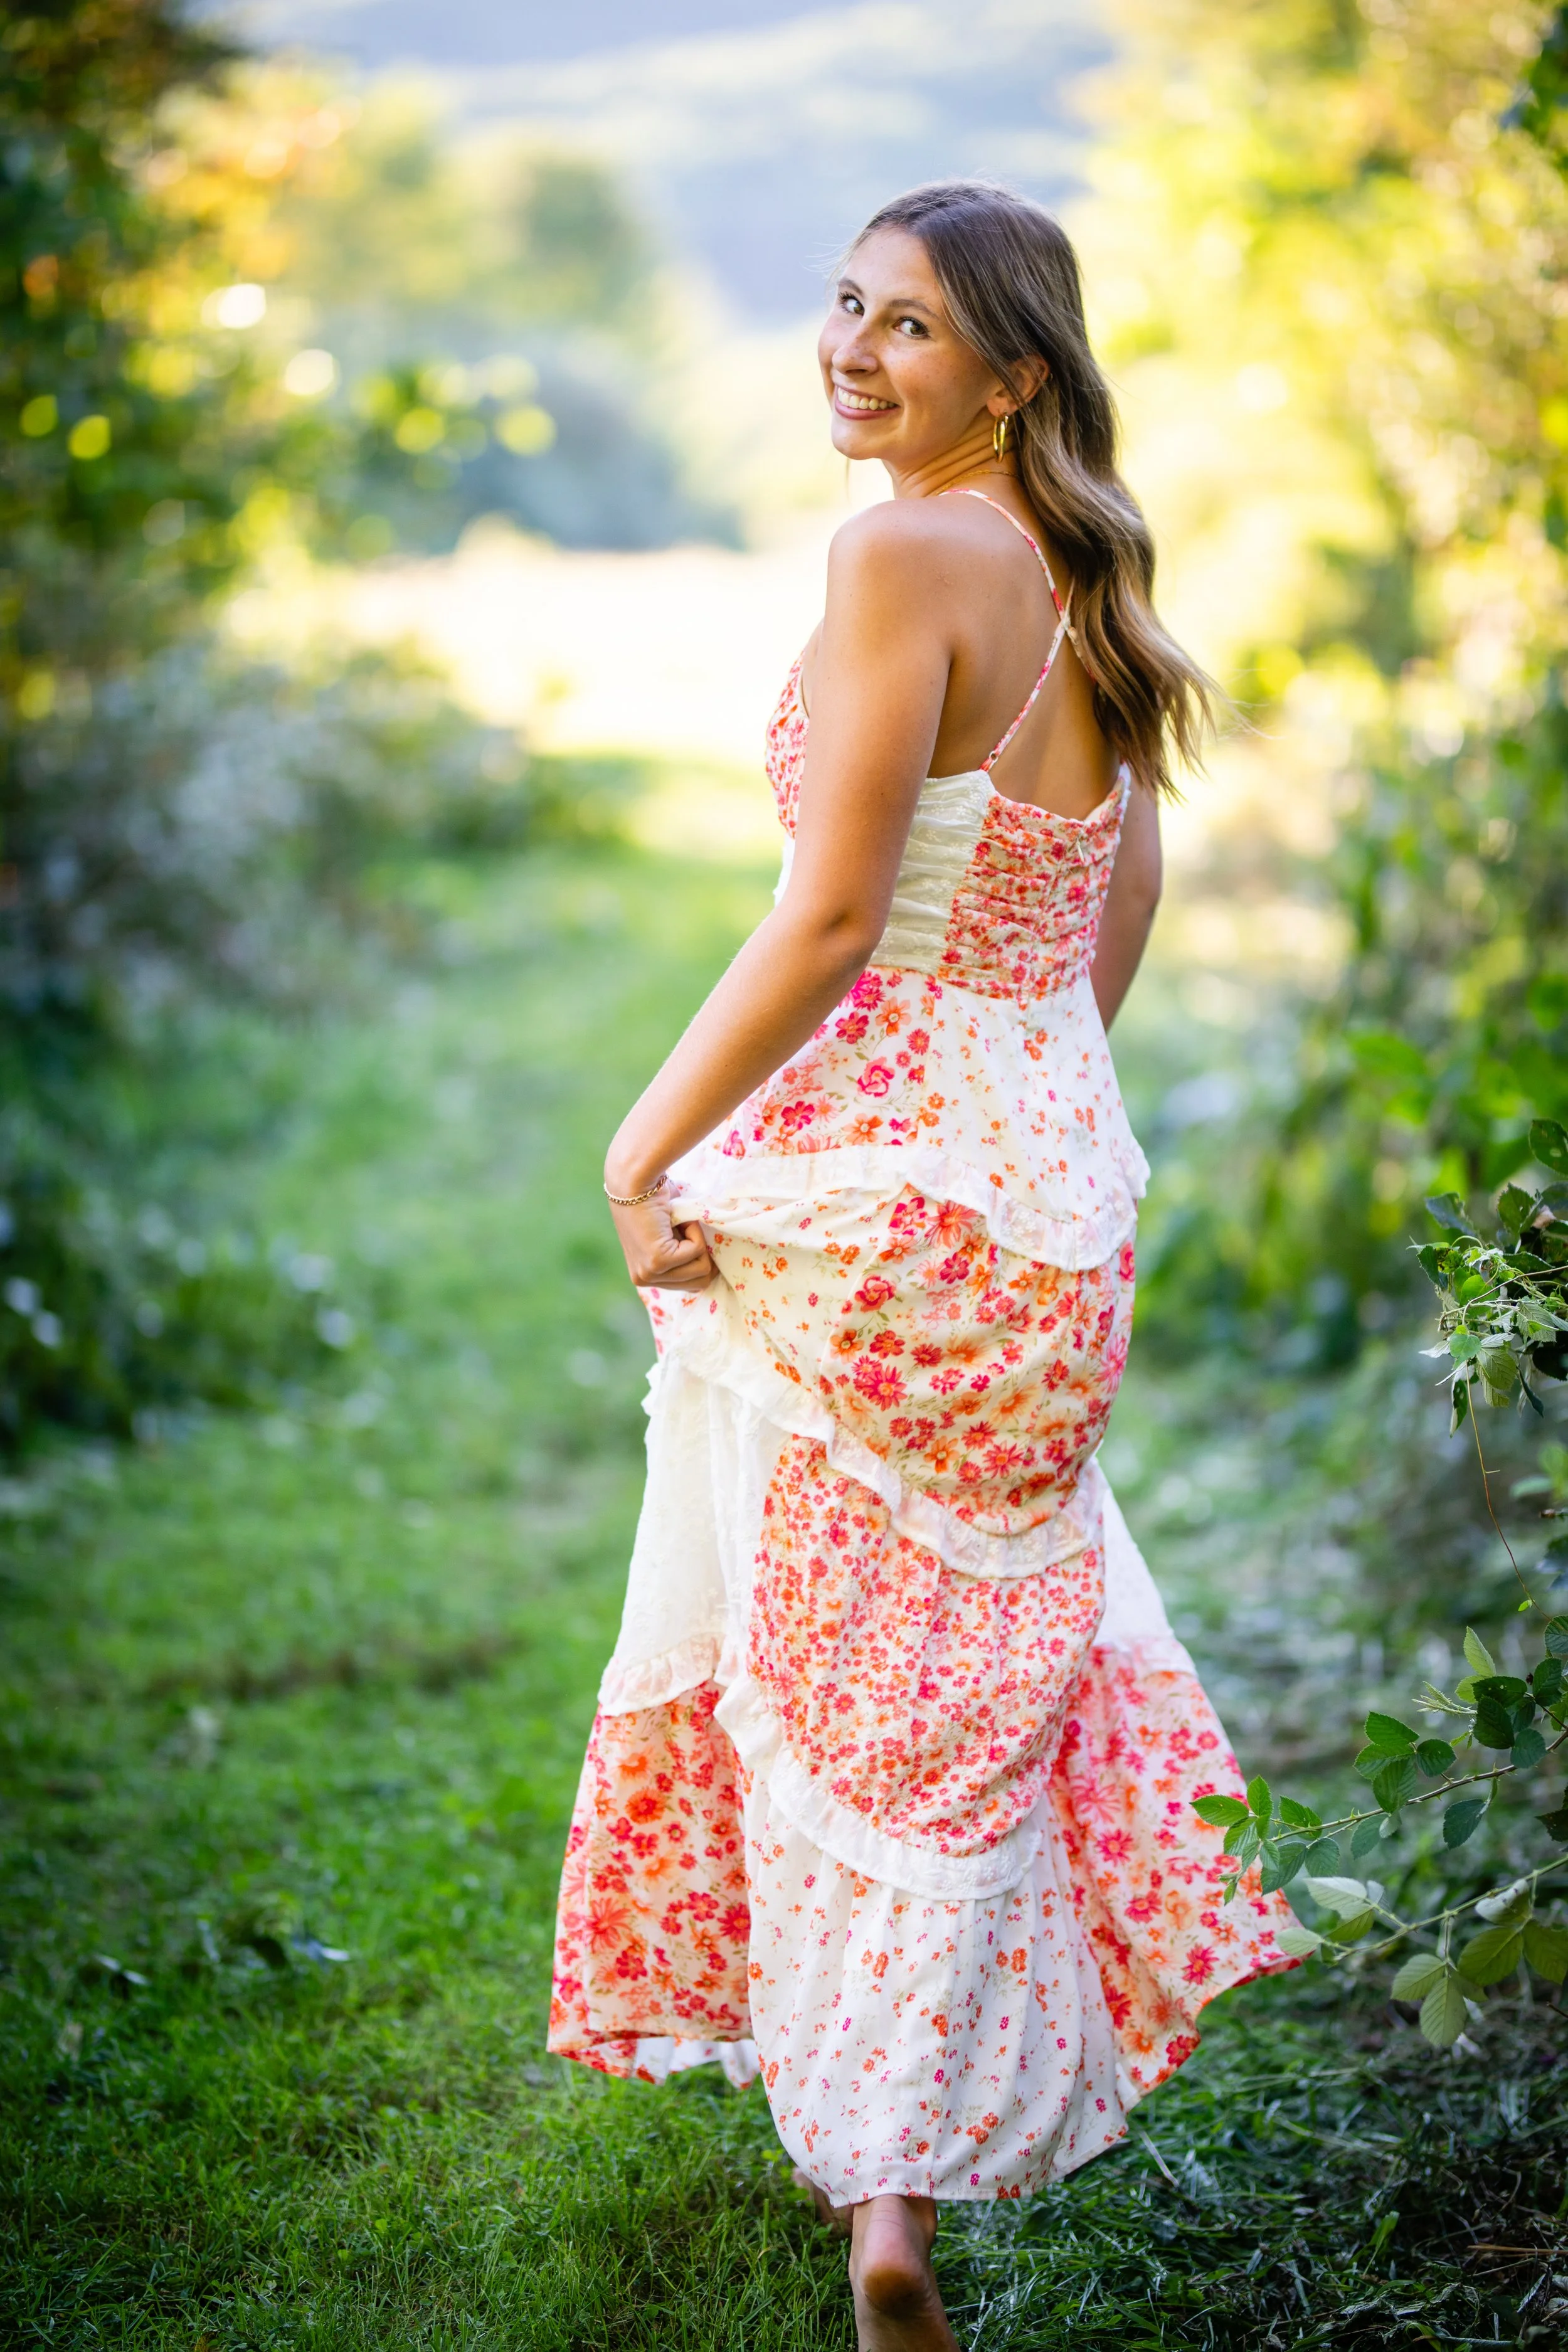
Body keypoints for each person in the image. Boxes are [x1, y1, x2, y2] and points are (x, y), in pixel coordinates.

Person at [549, 179, 1293, 2352]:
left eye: (908, 328)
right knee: (960, 1706)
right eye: (842, 309)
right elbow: (1104, 916)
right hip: (1057, 1214)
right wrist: (1027, 1118)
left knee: (809, 1664)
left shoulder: (894, 557)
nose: (852, 353)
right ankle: (894, 2194)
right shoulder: (1090, 578)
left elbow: (827, 917)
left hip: (881, 1208)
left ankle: (878, 2171)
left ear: (1012, 373)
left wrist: (643, 1144)